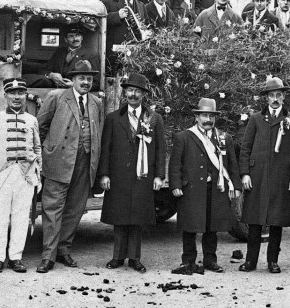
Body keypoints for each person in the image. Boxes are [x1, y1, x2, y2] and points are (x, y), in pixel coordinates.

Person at [36, 60, 103, 273]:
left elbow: (97, 131)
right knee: (52, 208)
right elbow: (40, 127)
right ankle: (48, 256)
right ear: (72, 80)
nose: (85, 82)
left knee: (75, 209)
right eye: (81, 78)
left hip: (85, 160)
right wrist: (46, 152)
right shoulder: (56, 97)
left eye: (89, 79)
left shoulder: (95, 103)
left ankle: (64, 250)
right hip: (58, 160)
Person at [99, 73, 165, 273]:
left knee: (137, 217)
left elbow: (161, 149)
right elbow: (106, 148)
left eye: (137, 91)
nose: (133, 95)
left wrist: (159, 176)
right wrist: (104, 174)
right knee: (119, 217)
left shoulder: (154, 119)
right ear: (124, 93)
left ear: (144, 94)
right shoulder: (113, 118)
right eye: (130, 90)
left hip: (142, 176)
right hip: (118, 176)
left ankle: (135, 258)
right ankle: (117, 256)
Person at [0, 78, 41, 274]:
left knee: (21, 218)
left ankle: (16, 257)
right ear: (6, 95)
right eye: (13, 93)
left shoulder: (32, 120)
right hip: (1, 176)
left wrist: (38, 172)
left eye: (21, 93)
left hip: (25, 176)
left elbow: (37, 148)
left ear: (26, 95)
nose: (17, 97)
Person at [238, 77, 290, 273]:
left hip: (281, 177)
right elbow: (245, 148)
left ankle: (272, 261)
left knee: (276, 220)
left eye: (278, 95)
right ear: (266, 98)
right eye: (271, 95)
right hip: (257, 176)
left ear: (283, 97)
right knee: (255, 220)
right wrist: (245, 174)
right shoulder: (256, 119)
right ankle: (250, 261)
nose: (275, 99)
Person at [169, 98, 241, 275]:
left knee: (212, 226)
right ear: (197, 117)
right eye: (204, 115)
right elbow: (175, 164)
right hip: (191, 189)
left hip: (216, 189)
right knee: (190, 226)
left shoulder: (224, 138)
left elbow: (232, 164)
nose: (208, 119)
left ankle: (210, 261)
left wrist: (236, 186)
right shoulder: (184, 137)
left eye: (211, 116)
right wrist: (175, 185)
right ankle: (188, 262)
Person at [25, 24, 101, 91]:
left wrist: (74, 85)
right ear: (66, 39)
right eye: (71, 36)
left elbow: (96, 84)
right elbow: (45, 69)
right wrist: (51, 75)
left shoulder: (91, 55)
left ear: (82, 37)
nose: (75, 39)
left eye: (78, 35)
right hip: (56, 90)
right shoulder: (60, 52)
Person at [103, 0, 149, 75]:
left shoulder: (141, 5)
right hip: (114, 54)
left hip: (135, 54)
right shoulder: (108, 2)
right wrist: (116, 16)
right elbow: (100, 22)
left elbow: (146, 26)